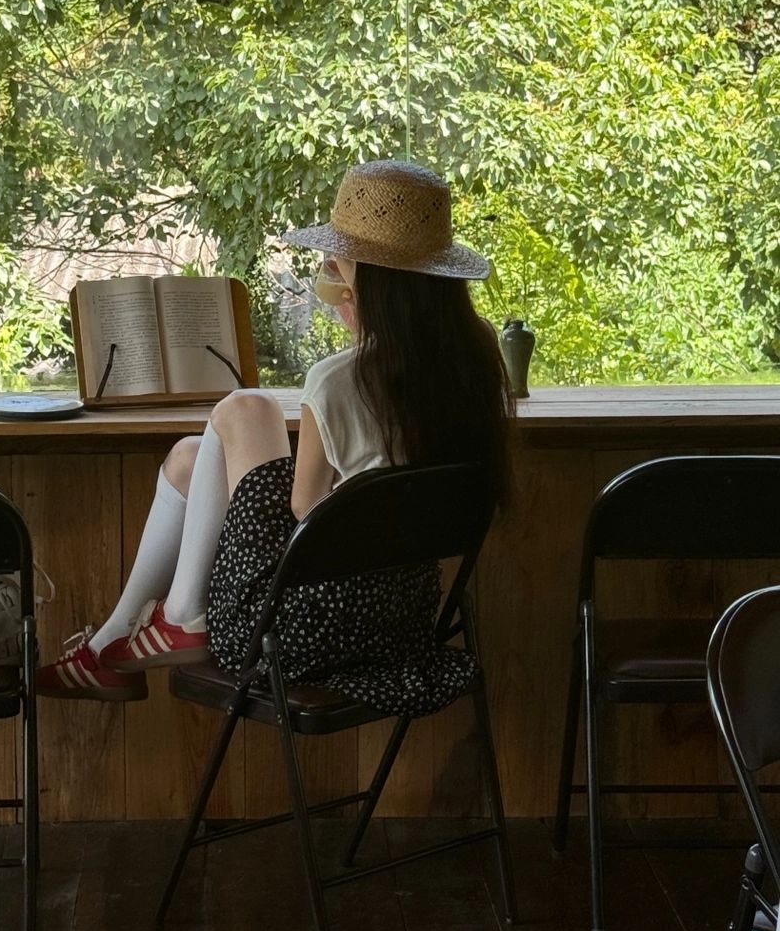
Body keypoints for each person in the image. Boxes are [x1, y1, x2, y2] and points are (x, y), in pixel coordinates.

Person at [37, 159, 514, 714]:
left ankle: (181, 615)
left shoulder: (339, 380)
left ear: (366, 282)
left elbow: (308, 510)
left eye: (339, 269)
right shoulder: (477, 358)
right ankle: (116, 641)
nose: (332, 285)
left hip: (293, 635)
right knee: (194, 458)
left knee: (246, 406)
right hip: (405, 622)